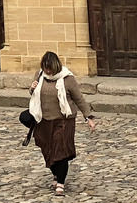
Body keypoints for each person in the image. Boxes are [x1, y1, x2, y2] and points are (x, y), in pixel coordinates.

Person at [27, 51, 97, 195]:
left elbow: (79, 99)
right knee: (47, 149)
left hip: (64, 120)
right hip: (44, 120)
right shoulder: (40, 75)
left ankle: (60, 183)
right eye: (46, 68)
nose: (48, 71)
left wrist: (88, 117)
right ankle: (56, 173)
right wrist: (32, 88)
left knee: (60, 150)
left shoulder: (67, 79)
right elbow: (33, 94)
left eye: (50, 68)